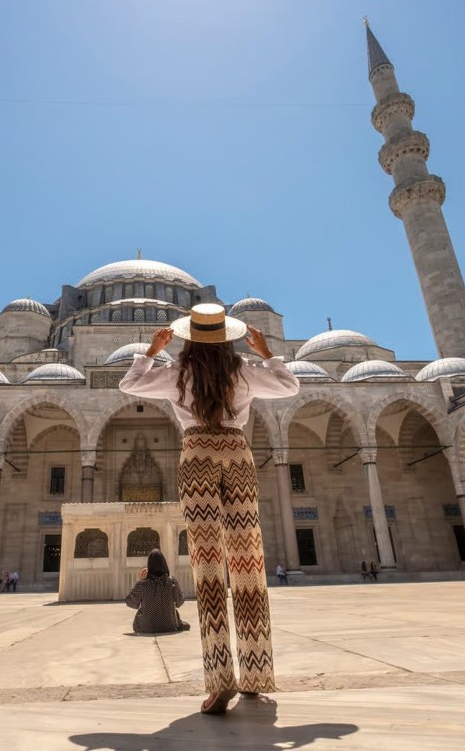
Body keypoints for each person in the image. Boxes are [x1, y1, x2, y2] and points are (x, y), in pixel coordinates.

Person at [120, 304, 300, 715]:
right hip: (237, 456)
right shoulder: (243, 371)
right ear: (227, 338)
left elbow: (130, 383)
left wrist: (151, 350)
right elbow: (289, 386)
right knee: (248, 561)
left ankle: (220, 680)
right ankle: (255, 672)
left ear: (189, 338)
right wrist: (266, 351)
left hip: (197, 455)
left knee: (208, 564)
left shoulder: (177, 373)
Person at [125, 549, 189, 634]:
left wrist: (140, 580)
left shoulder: (143, 584)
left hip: (146, 627)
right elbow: (179, 602)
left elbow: (130, 602)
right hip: (169, 626)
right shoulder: (172, 582)